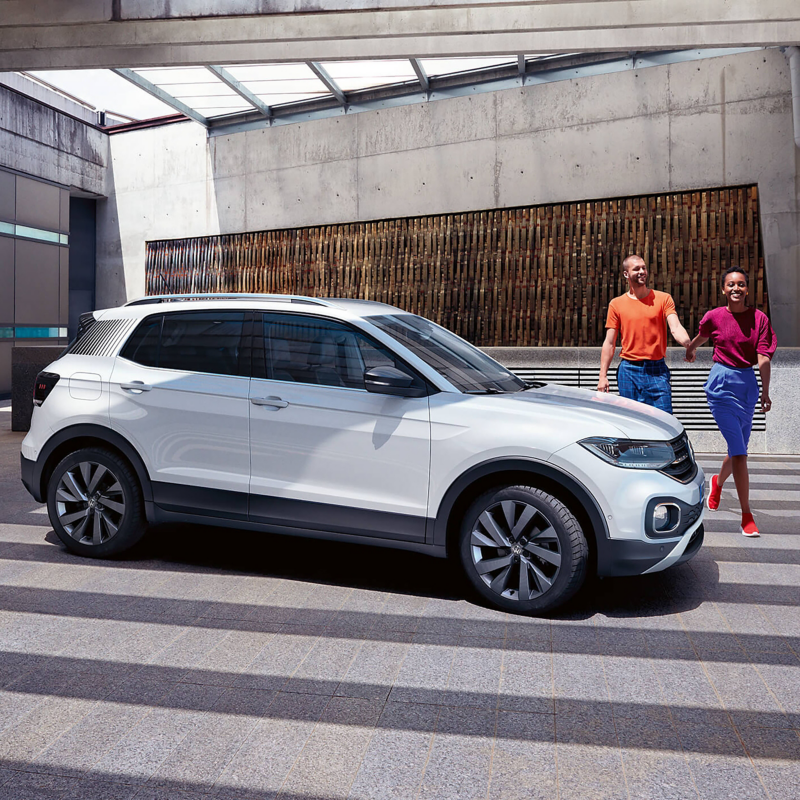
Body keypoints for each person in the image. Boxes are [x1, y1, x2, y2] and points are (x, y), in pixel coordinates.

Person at [685, 267, 776, 537]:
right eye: (730, 284)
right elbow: (703, 336)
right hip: (721, 385)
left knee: (738, 447)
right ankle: (747, 515)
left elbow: (763, 358)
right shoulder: (714, 316)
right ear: (723, 289)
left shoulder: (759, 319)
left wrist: (765, 392)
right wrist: (691, 348)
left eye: (741, 284)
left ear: (747, 289)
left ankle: (717, 482)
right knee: (740, 452)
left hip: (747, 385)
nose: (736, 288)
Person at [597, 254, 692, 412]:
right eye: (636, 269)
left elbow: (675, 327)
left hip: (657, 370)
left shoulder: (663, 299)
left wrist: (688, 344)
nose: (642, 271)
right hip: (628, 370)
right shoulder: (616, 304)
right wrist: (602, 376)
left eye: (644, 268)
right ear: (626, 274)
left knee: (664, 419)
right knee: (632, 421)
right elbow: (609, 342)